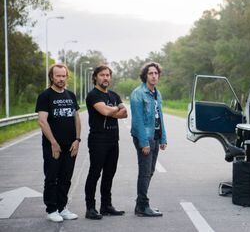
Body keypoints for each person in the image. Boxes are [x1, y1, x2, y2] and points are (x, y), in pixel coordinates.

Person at [36, 64, 80, 223]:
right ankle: (51, 209)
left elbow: (76, 118)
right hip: (53, 147)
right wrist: (54, 143)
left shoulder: (71, 95)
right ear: (52, 77)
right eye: (58, 76)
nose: (61, 79)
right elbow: (42, 121)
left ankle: (62, 208)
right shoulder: (45, 96)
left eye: (63, 76)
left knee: (66, 178)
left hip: (71, 145)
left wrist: (77, 140)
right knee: (52, 178)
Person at [84, 65, 127, 220]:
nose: (105, 78)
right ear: (95, 77)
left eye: (108, 75)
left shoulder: (114, 95)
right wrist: (112, 110)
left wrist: (110, 110)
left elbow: (125, 113)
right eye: (102, 75)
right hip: (98, 140)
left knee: (109, 174)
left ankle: (106, 206)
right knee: (95, 174)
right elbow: (106, 111)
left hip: (113, 140)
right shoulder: (93, 95)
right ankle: (90, 208)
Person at [130, 62, 167, 217]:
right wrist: (144, 142)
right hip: (144, 137)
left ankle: (140, 205)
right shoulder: (138, 93)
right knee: (145, 172)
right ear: (145, 75)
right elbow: (137, 120)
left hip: (156, 136)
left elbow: (160, 116)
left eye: (156, 73)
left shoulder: (157, 93)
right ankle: (143, 206)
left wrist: (163, 137)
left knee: (150, 171)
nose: (153, 76)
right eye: (150, 73)